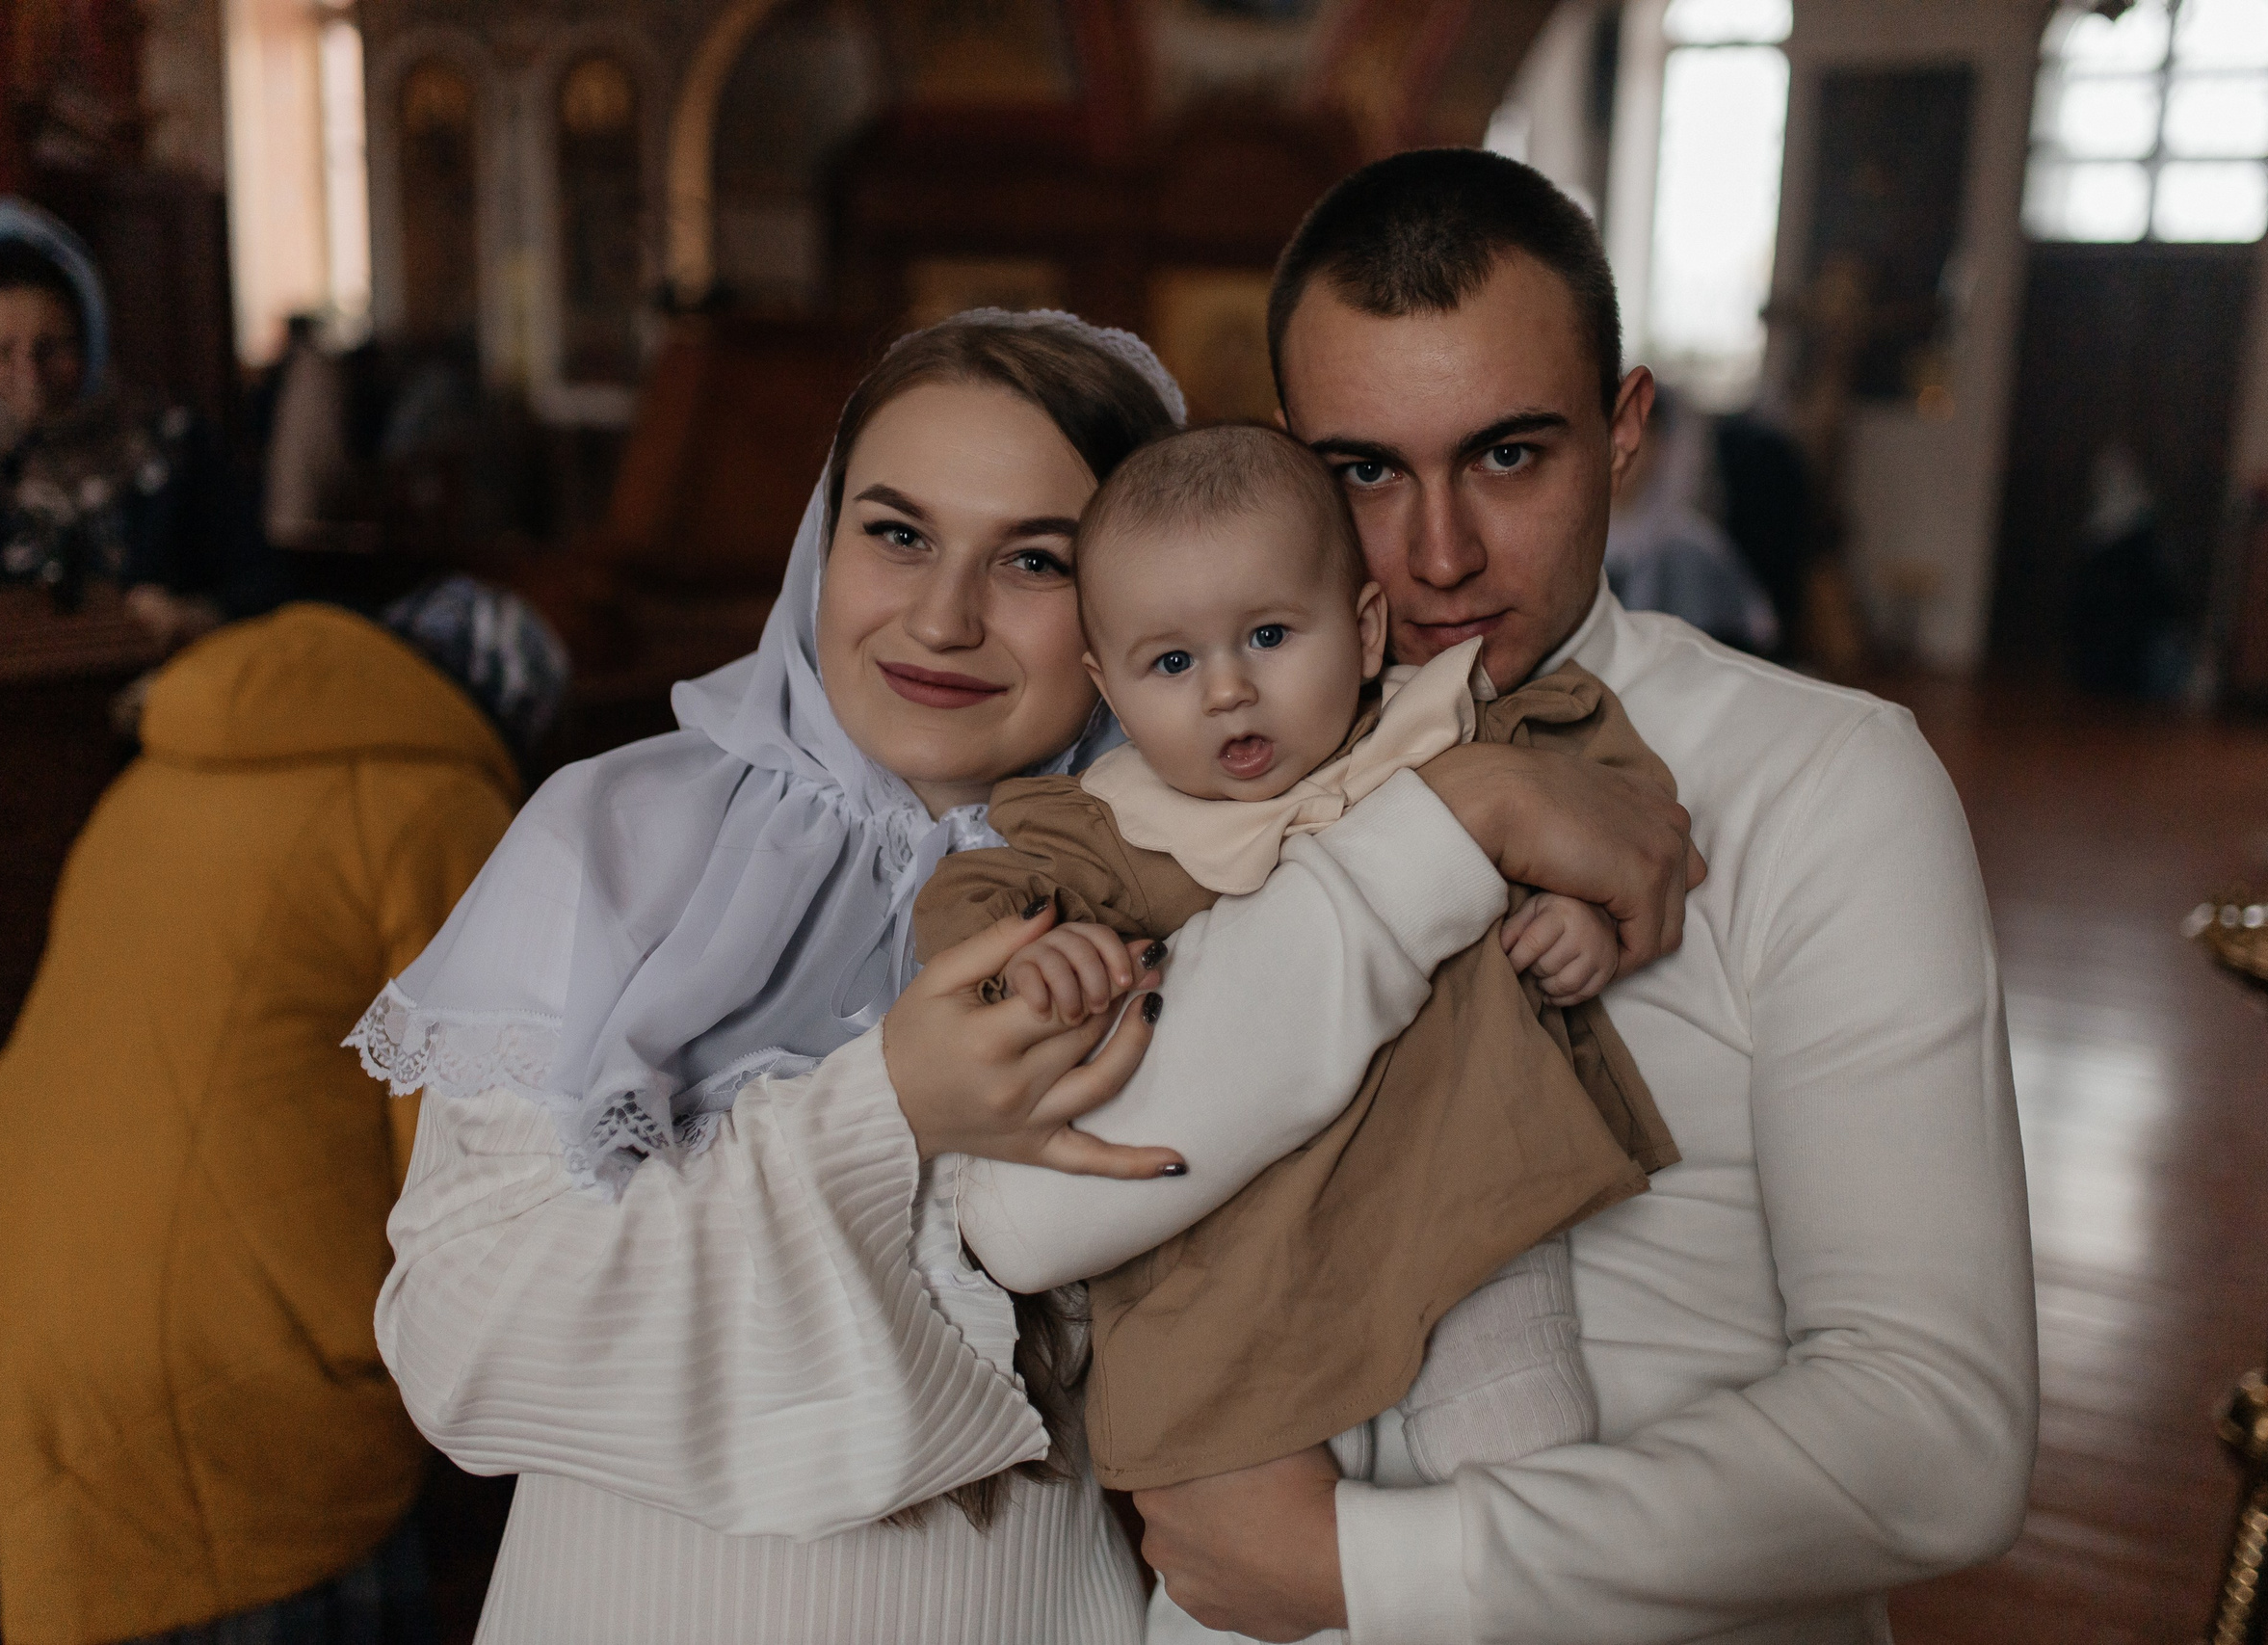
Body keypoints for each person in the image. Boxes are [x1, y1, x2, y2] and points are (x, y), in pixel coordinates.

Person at [358, 310, 1700, 1644]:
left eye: (1034, 561)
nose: (942, 617)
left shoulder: (1216, 850)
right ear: (822, 543)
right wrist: (887, 1106)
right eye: (897, 534)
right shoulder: (611, 838)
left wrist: (1463, 812)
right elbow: (464, 1353)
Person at [953, 149, 2035, 1645]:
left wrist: (1363, 1568)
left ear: (1626, 429)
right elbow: (1021, 1216)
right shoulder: (1168, 775)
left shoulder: (1824, 781)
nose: (1442, 553)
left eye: (1510, 455)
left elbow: (1939, 1436)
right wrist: (1458, 815)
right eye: (1364, 471)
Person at [913, 422, 1675, 1497]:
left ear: (1363, 631)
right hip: (1247, 1261)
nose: (1226, 689)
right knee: (1239, 1516)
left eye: (1268, 636)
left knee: (1529, 1456)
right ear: (1108, 688)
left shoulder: (1444, 732)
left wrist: (1574, 910)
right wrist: (1039, 956)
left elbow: (1610, 821)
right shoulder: (1106, 829)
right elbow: (972, 902)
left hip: (1469, 1188)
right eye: (1172, 662)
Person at [0, 577, 567, 1645]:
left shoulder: (163, 767)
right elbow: (469, 1160)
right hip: (229, 1337)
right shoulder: (439, 804)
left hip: (15, 1285)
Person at [0, 198, 272, 647]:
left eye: (53, 347)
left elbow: (263, 585)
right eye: (0, 353)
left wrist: (192, 616)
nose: (30, 375)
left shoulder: (173, 446)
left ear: (90, 335)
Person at [1604, 385, 1779, 653]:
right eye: (1611, 429)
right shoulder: (1566, 540)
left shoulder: (1691, 550)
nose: (1620, 447)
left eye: (1638, 432)